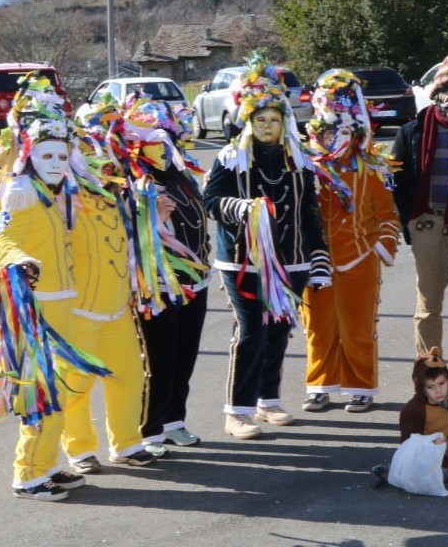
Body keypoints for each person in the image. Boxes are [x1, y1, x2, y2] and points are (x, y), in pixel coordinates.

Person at [0, 81, 116, 500]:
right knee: (39, 393)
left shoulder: (57, 192)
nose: (57, 162)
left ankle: (45, 464)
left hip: (63, 306)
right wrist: (18, 260)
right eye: (46, 155)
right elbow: (2, 241)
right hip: (35, 310)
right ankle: (28, 474)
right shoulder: (22, 193)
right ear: (28, 155)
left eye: (62, 155)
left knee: (56, 391)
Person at [204, 57, 330, 440]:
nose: (266, 126)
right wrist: (240, 209)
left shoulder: (300, 162)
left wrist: (319, 259)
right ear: (248, 121)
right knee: (250, 332)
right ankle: (237, 411)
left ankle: (267, 399)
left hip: (291, 262)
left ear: (284, 123)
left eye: (273, 119)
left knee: (278, 330)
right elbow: (211, 201)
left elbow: (310, 212)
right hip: (243, 263)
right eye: (259, 120)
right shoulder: (230, 159)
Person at [58, 100, 161, 473]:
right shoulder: (66, 201)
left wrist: (154, 218)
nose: (105, 166)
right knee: (77, 384)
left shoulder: (118, 198)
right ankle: (80, 449)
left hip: (118, 308)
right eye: (93, 157)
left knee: (127, 376)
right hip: (79, 311)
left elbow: (134, 246)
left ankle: (127, 443)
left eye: (110, 159)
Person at [301, 71, 400, 414]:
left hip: (359, 258)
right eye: (329, 131)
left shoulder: (371, 168)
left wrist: (380, 247)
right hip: (316, 260)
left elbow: (388, 216)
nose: (335, 137)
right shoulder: (305, 167)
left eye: (343, 130)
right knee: (318, 327)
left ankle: (361, 388)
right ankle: (320, 386)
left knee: (358, 328)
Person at [119, 95, 212, 449]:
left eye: (164, 138)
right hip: (154, 286)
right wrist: (150, 218)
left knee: (183, 357)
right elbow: (121, 234)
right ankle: (148, 429)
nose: (159, 146)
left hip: (194, 282)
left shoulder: (182, 174)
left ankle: (174, 421)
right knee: (157, 360)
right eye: (149, 140)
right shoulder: (128, 181)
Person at [391, 54, 448, 386]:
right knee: (428, 306)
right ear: (435, 92)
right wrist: (408, 223)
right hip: (427, 225)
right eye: (446, 87)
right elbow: (395, 179)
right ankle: (431, 375)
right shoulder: (413, 130)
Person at [371, 347, 448, 487]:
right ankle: (391, 471)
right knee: (415, 465)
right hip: (431, 454)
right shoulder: (413, 409)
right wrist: (430, 443)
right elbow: (408, 445)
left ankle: (438, 473)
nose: (438, 391)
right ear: (421, 387)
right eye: (431, 387)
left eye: (441, 384)